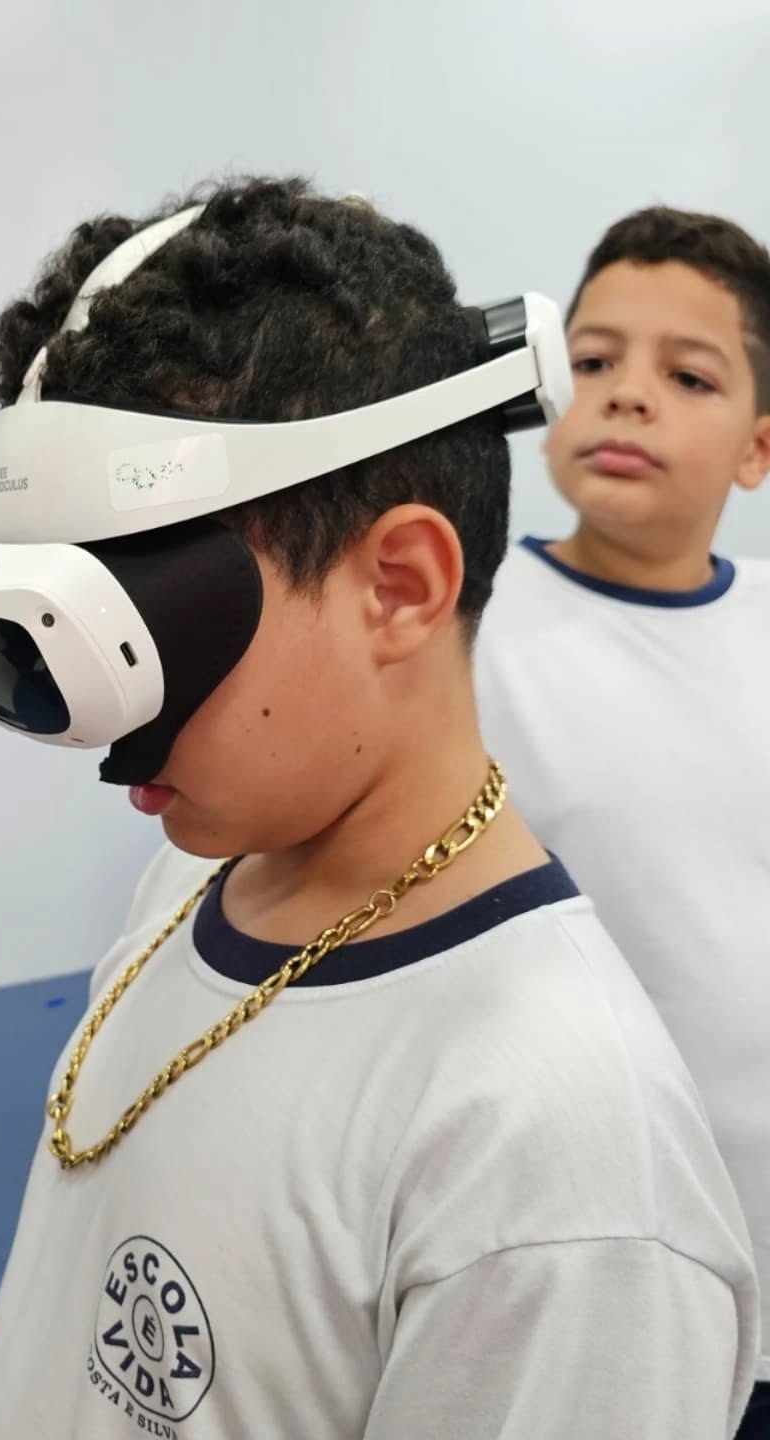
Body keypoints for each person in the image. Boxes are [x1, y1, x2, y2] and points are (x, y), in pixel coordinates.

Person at [0, 178, 759, 1438]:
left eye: (137, 628)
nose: (92, 723)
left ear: (400, 587)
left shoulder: (559, 1184)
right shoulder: (193, 876)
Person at [475, 205, 770, 1438]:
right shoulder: (468, 624)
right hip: (592, 1249)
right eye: (593, 360)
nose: (627, 394)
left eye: (688, 376)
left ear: (758, 447)